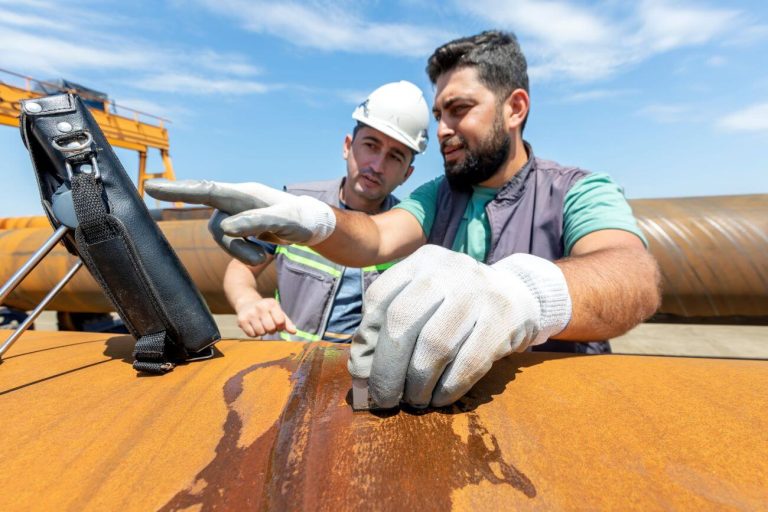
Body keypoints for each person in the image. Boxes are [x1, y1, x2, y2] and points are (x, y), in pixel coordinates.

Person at [146, 30, 661, 409]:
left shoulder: (576, 189)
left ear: (515, 108)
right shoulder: (440, 194)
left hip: (565, 407)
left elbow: (632, 276)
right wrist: (313, 220)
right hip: (456, 407)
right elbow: (372, 237)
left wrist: (522, 295)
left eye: (458, 109)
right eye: (438, 115)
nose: (443, 128)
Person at [222, 81, 429, 342]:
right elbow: (240, 269)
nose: (377, 165)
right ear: (347, 146)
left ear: (407, 174)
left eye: (395, 157)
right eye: (371, 146)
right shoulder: (297, 204)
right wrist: (247, 301)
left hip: (353, 375)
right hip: (283, 364)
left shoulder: (409, 232)